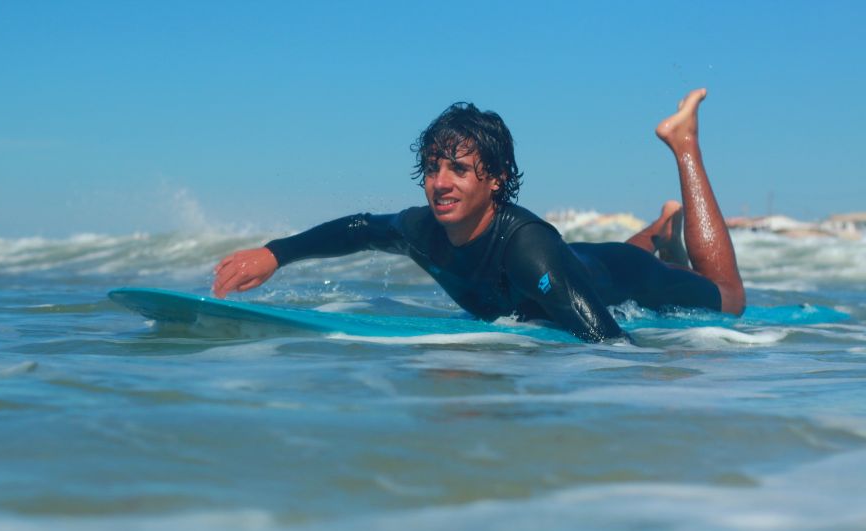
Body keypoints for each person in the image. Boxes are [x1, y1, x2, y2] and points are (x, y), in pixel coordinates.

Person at [212, 88, 745, 343]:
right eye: (432, 167)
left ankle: (684, 144)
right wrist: (273, 254)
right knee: (604, 262)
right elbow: (359, 229)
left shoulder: (527, 248)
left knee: (728, 298)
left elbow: (609, 342)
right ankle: (660, 228)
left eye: (459, 169)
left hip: (614, 280)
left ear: (495, 180)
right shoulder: (421, 228)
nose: (440, 182)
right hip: (580, 265)